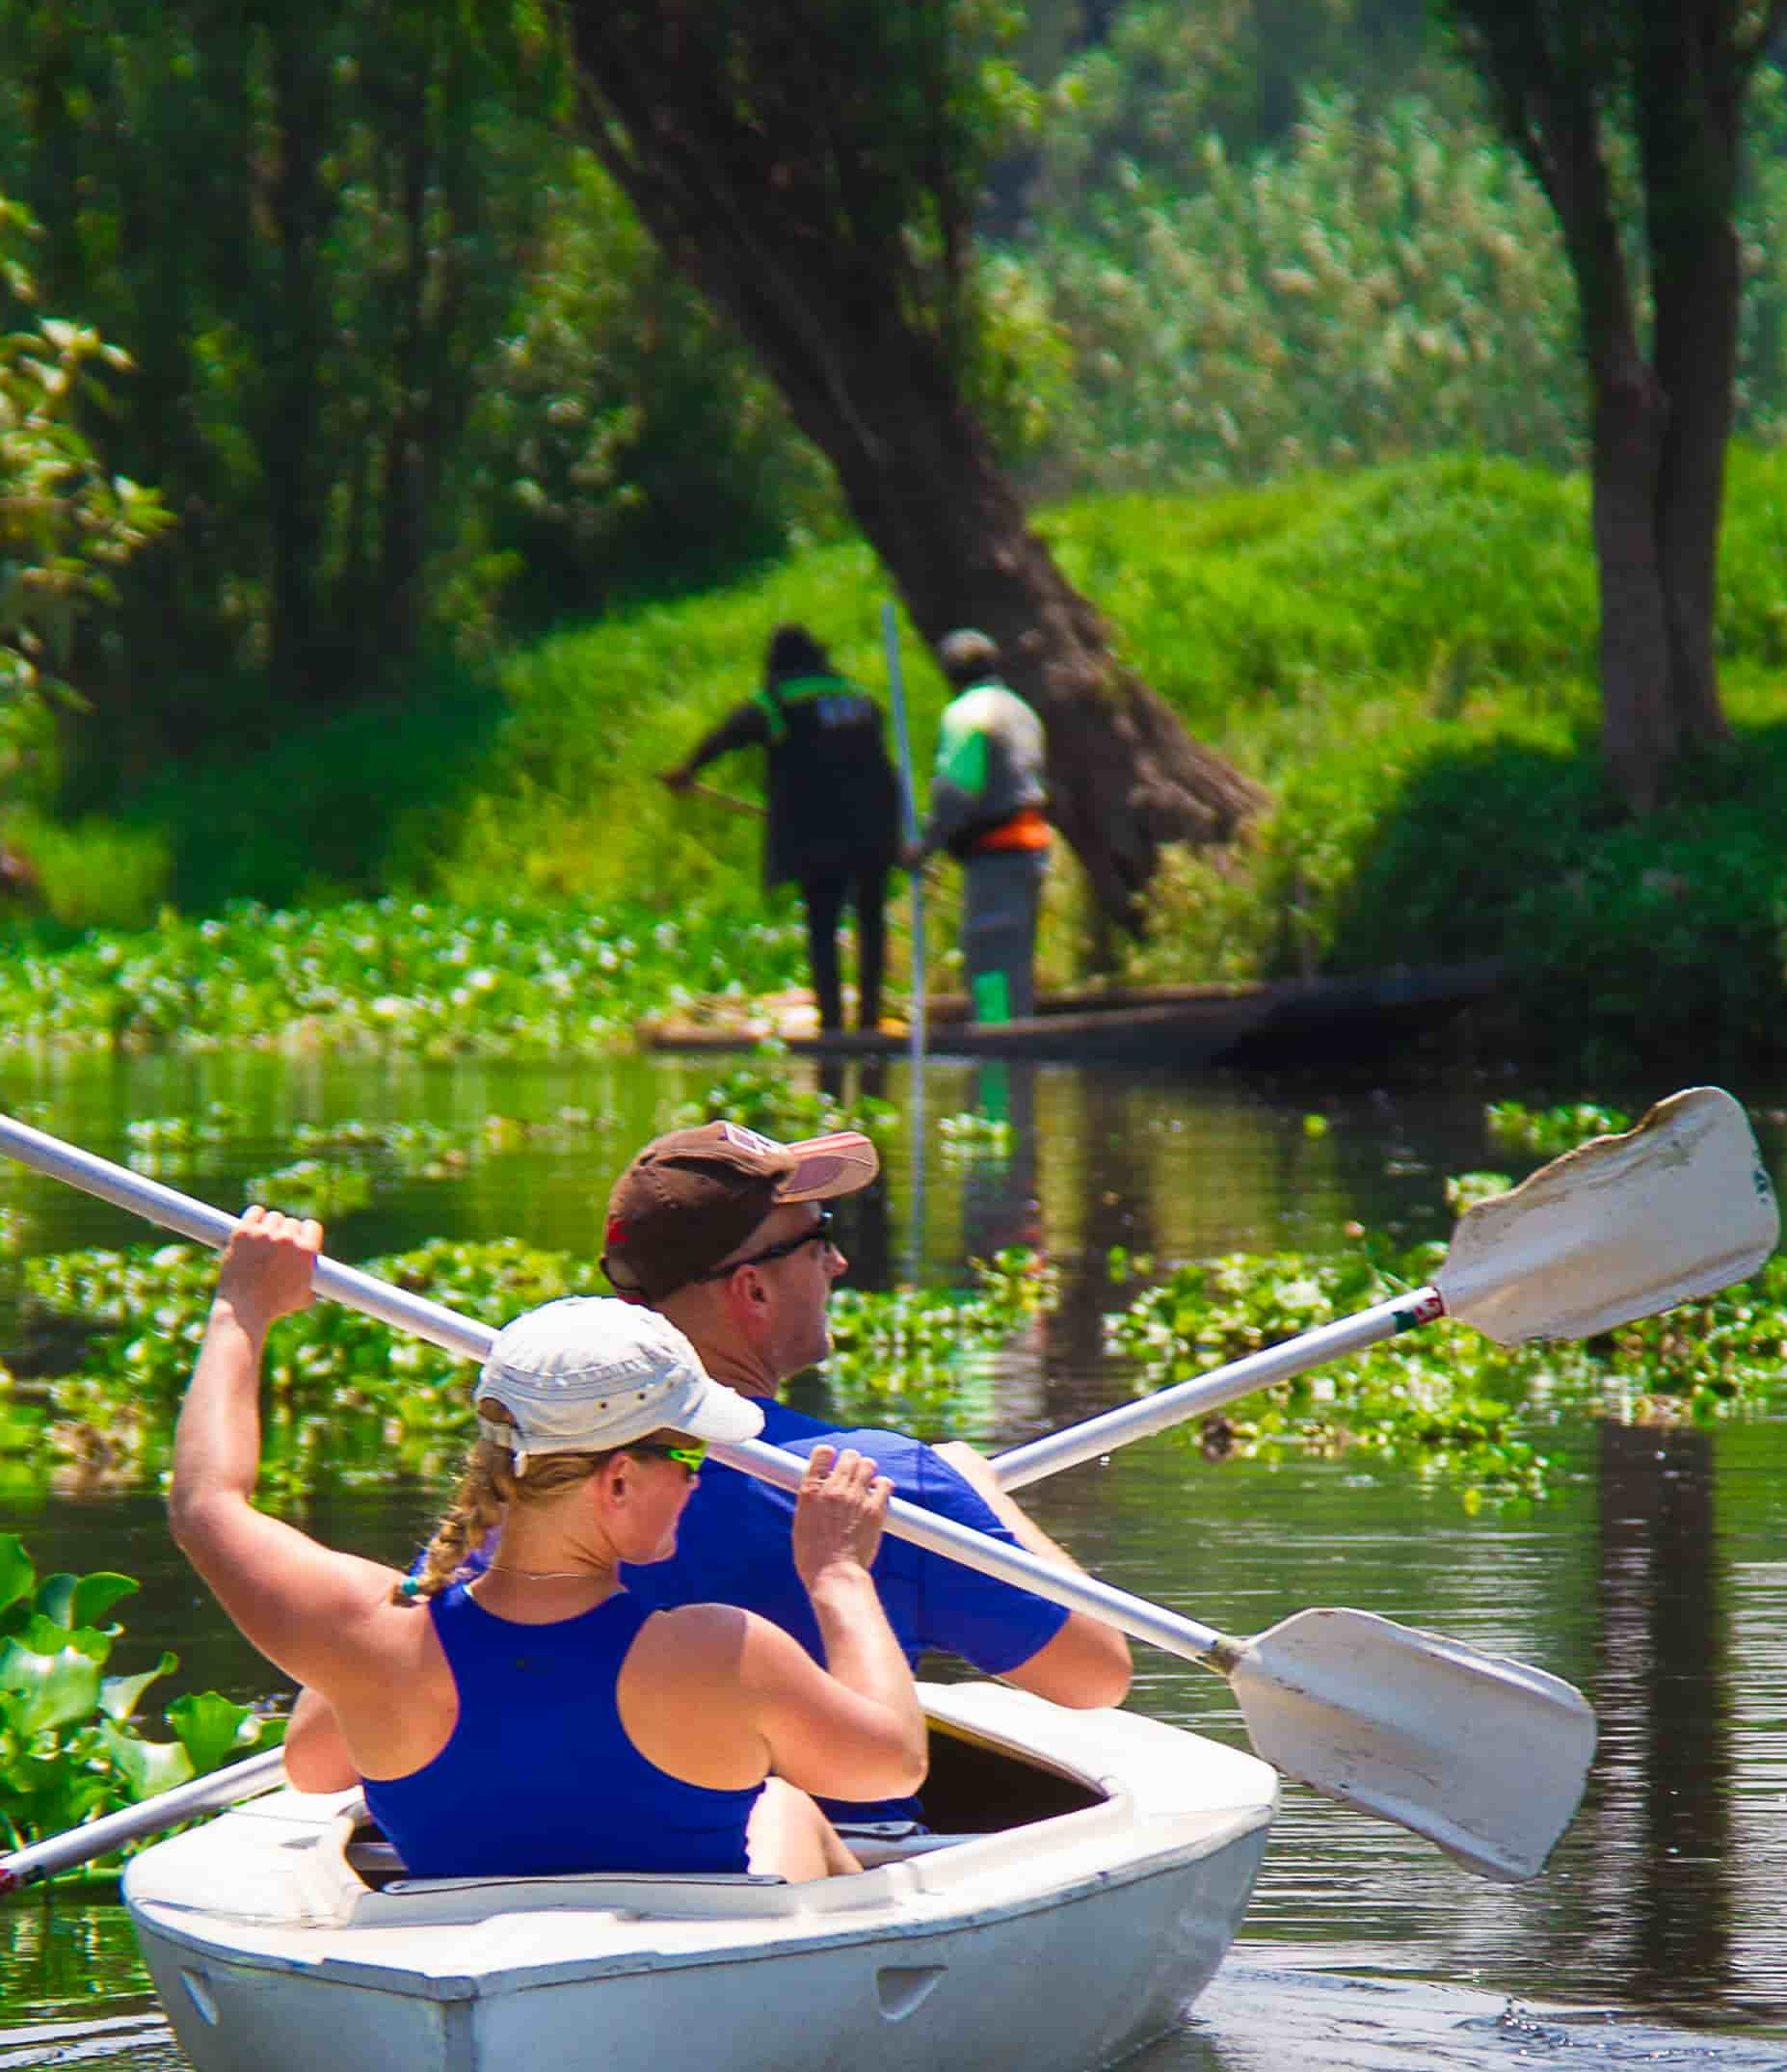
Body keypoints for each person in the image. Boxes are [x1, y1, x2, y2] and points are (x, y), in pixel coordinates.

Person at [170, 1208, 930, 1883]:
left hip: (451, 1948)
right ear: (620, 1480)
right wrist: (837, 1576)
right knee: (787, 1804)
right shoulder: (721, 1653)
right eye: (692, 1457)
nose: (699, 1483)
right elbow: (892, 1762)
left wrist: (242, 1308)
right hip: (682, 1979)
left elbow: (206, 1506)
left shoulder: (369, 1634)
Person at [598, 1119, 1133, 1833]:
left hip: (550, 1859)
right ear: (752, 1289)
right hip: (830, 1870)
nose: (840, 1264)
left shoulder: (530, 1480)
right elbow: (1095, 1673)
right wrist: (971, 1485)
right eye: (818, 1240)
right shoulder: (882, 1479)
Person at [661, 624, 902, 1040]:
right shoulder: (858, 698)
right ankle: (869, 1021)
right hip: (876, 825)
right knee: (870, 919)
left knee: (823, 925)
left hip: (820, 831)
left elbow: (728, 734)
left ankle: (831, 1027)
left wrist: (688, 769)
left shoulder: (777, 701)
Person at [908, 626, 1049, 1024]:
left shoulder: (968, 715)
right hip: (1032, 847)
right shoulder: (1022, 711)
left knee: (989, 960)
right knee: (1016, 957)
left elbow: (956, 794)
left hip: (998, 854)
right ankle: (1020, 1029)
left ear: (950, 674)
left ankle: (998, 1053)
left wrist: (924, 846)